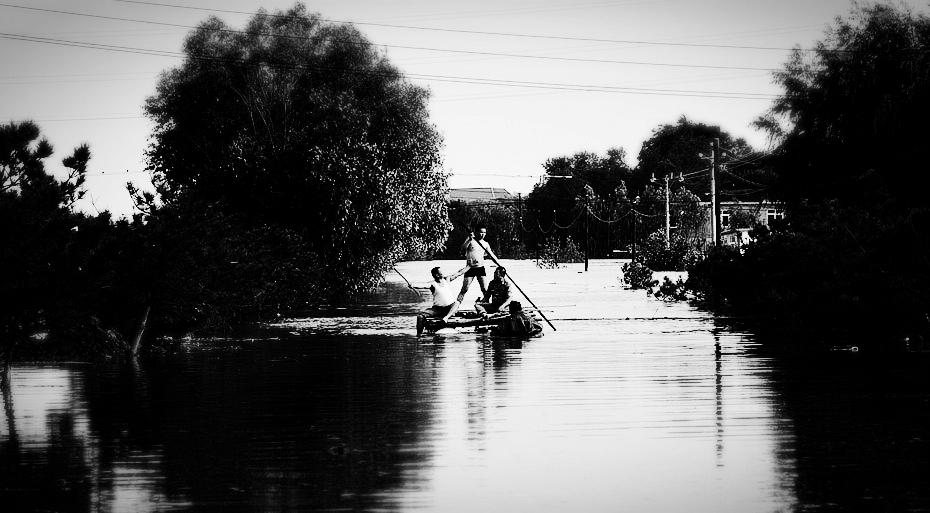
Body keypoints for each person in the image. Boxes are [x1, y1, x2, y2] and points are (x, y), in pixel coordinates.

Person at [458, 223, 499, 304]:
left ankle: (487, 305)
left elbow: (491, 255)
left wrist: (500, 265)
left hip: (480, 268)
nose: (483, 234)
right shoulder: (471, 241)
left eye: (484, 233)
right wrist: (469, 239)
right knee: (464, 289)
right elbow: (462, 250)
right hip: (470, 268)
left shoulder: (485, 243)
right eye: (481, 232)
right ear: (476, 232)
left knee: (485, 290)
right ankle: (456, 305)